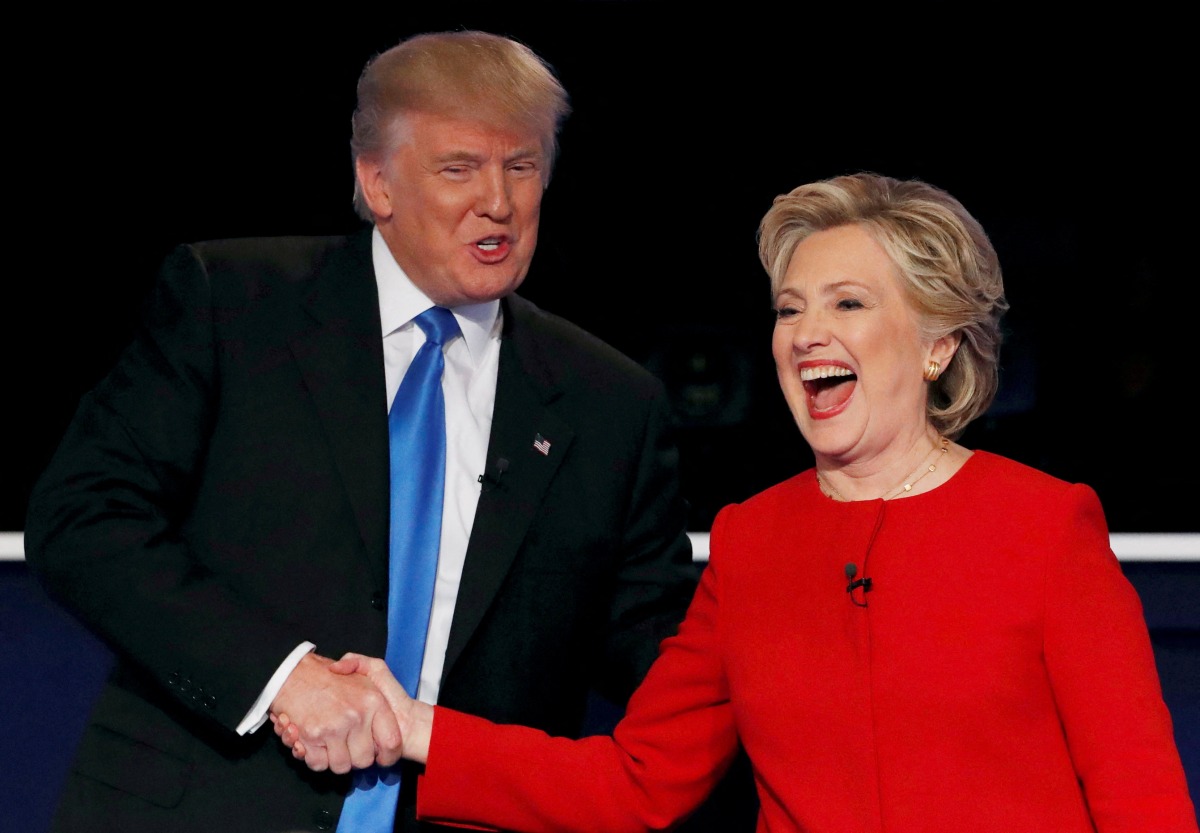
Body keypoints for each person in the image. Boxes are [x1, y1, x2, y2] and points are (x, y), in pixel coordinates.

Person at [279, 172, 1199, 832]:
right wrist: (414, 727)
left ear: (938, 347)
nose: (807, 335)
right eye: (790, 308)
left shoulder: (1045, 526)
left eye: (847, 304)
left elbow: (1143, 803)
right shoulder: (753, 540)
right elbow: (637, 779)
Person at [23, 30, 703, 833]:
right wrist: (282, 677)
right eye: (459, 168)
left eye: (521, 166)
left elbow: (660, 650)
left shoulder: (607, 401)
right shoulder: (233, 305)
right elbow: (84, 519)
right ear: (377, 182)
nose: (498, 201)